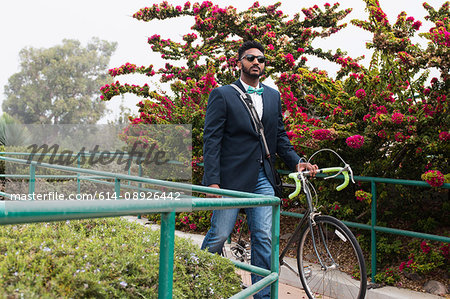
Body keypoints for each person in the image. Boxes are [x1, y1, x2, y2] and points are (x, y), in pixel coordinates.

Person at [201, 40, 318, 298]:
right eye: (251, 58)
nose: (256, 62)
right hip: (230, 179)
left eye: (261, 59)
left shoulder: (273, 96)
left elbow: (280, 138)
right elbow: (211, 141)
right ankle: (197, 280)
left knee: (264, 236)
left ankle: (262, 295)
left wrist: (297, 161)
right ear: (239, 62)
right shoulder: (223, 94)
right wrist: (212, 181)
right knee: (220, 234)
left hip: (263, 177)